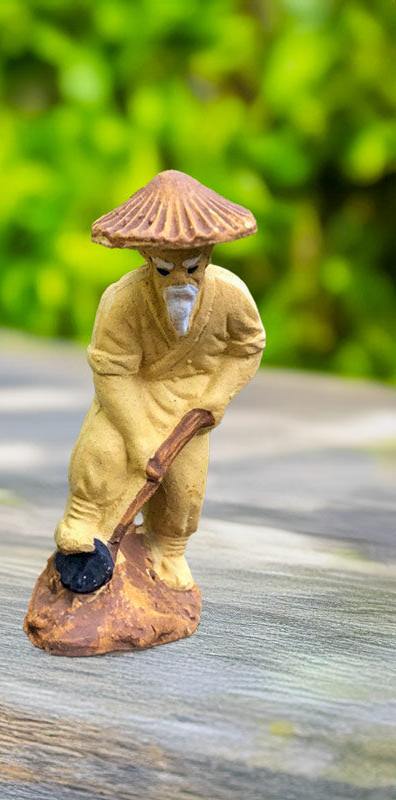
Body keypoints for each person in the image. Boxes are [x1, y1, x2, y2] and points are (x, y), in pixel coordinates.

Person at [54, 171, 266, 592]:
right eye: (165, 269)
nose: (179, 282)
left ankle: (168, 549)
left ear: (207, 257)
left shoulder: (230, 295)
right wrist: (135, 433)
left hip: (193, 404)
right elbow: (112, 369)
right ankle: (84, 520)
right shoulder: (123, 299)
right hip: (133, 395)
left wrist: (216, 395)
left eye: (191, 268)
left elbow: (248, 346)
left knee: (185, 489)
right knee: (103, 450)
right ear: (147, 259)